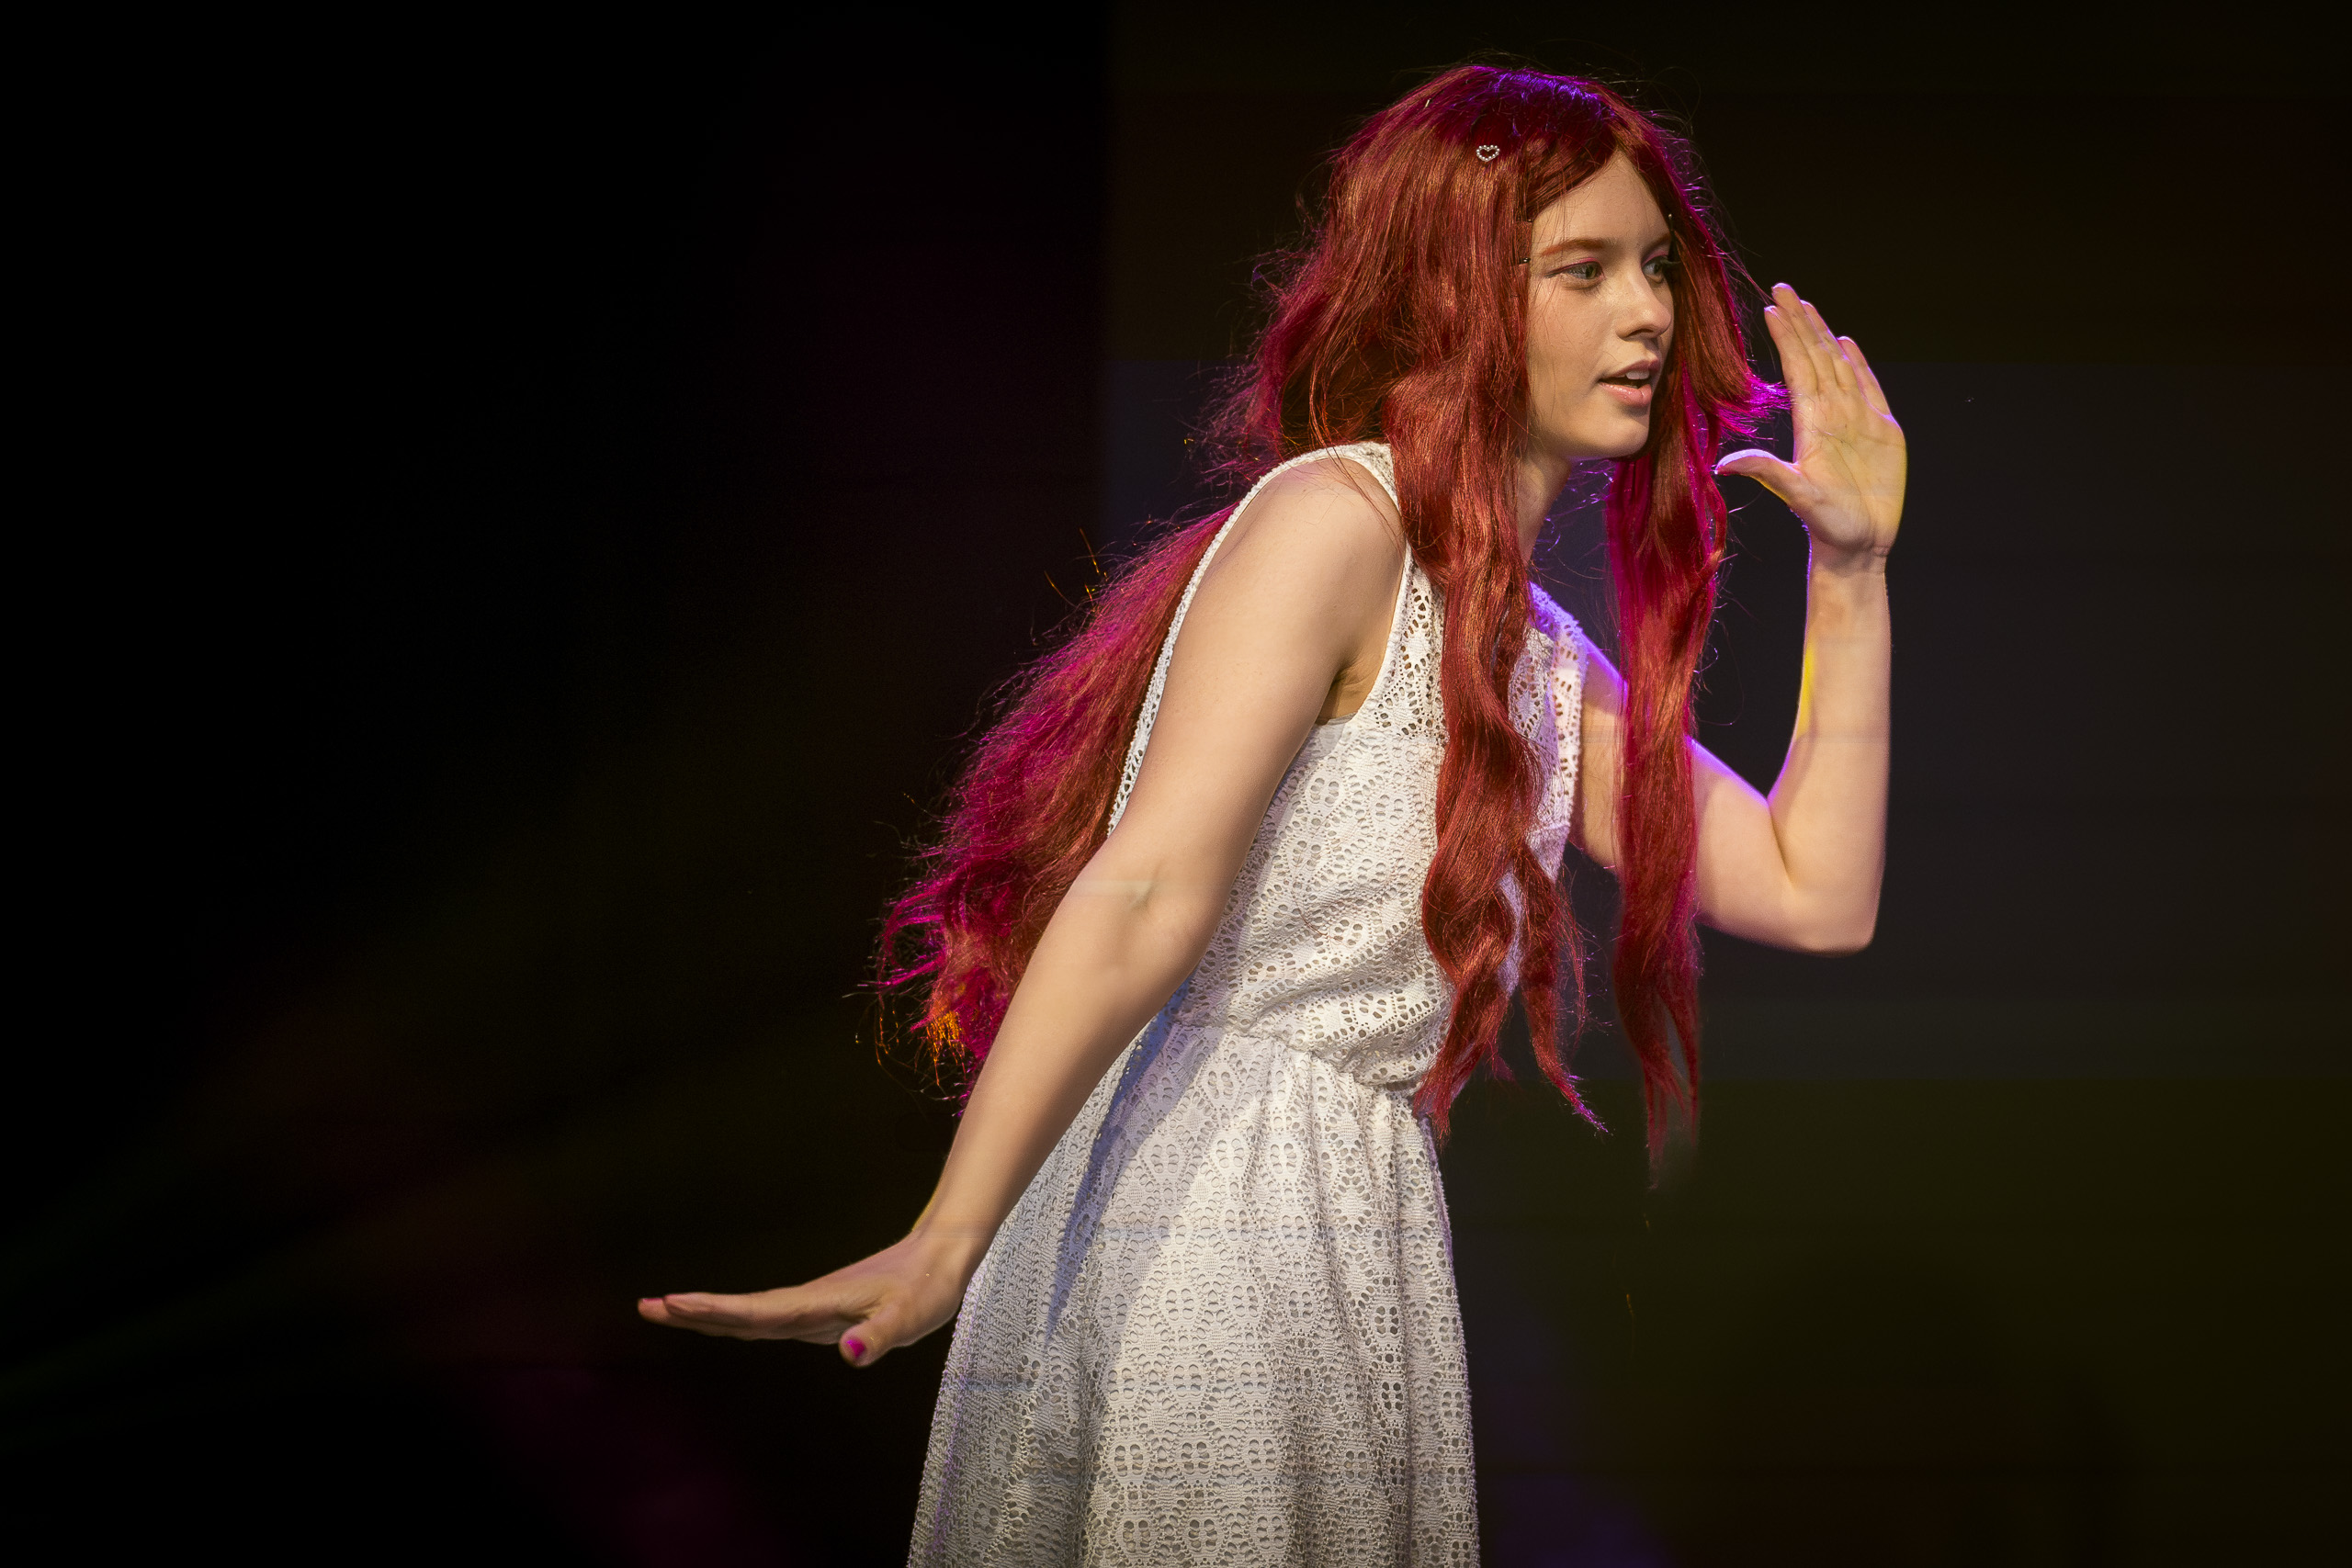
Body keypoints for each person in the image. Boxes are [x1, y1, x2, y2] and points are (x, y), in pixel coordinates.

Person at [639, 65, 1903, 1564]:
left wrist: (1854, 571)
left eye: (1654, 267)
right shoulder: (1339, 522)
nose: (1647, 314)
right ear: (1455, 290)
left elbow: (1814, 890)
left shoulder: (1537, 650)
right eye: (1582, 270)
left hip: (1353, 1217)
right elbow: (1146, 886)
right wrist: (948, 1235)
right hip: (1208, 1200)